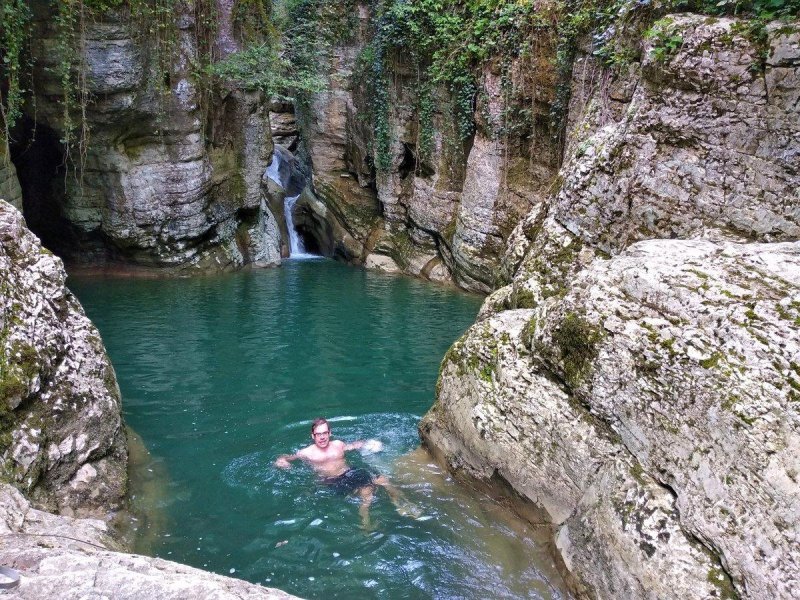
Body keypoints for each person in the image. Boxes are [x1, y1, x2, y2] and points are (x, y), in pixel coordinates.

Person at [275, 417, 416, 529]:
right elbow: (287, 457)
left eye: (325, 433)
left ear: (329, 433)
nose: (322, 437)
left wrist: (368, 443)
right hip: (334, 480)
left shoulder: (338, 444)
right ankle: (365, 522)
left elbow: (353, 446)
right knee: (367, 493)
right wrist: (282, 460)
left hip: (351, 471)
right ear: (313, 436)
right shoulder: (307, 453)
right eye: (318, 434)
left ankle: (402, 503)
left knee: (383, 480)